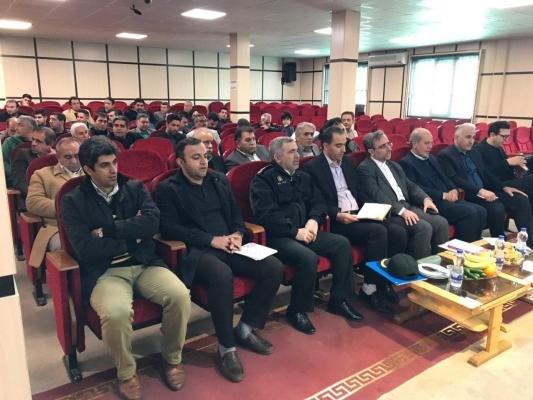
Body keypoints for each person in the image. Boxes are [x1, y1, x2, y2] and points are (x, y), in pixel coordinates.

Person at [61, 136, 191, 400]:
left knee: (180, 295)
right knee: (116, 313)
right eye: (104, 165)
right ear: (88, 169)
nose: (113, 170)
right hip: (106, 273)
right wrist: (133, 235)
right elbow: (86, 249)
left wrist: (107, 231)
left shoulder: (133, 187)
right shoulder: (74, 200)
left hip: (144, 263)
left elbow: (152, 223)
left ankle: (172, 358)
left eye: (114, 162)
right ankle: (127, 372)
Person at [156, 137, 283, 383]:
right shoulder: (168, 188)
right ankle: (226, 347)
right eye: (196, 158)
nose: (204, 162)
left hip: (231, 244)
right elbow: (169, 228)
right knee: (221, 275)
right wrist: (211, 240)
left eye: (205, 156)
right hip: (198, 250)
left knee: (273, 267)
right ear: (180, 162)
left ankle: (244, 329)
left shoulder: (218, 179)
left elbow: (236, 214)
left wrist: (237, 234)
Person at [251, 137, 363, 336]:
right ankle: (297, 310)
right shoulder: (263, 180)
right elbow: (266, 216)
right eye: (291, 152)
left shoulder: (302, 176)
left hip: (306, 230)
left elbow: (318, 202)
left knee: (341, 244)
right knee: (307, 258)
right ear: (277, 157)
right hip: (280, 236)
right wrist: (295, 232)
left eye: (297, 151)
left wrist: (313, 220)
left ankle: (339, 300)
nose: (298, 156)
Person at [303, 126, 407, 313]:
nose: (343, 150)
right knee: (378, 232)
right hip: (337, 219)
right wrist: (336, 214)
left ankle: (383, 281)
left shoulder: (347, 162)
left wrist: (372, 208)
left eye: (344, 145)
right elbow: (316, 201)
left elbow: (358, 192)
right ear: (325, 146)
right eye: (338, 146)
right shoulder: (313, 168)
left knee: (396, 229)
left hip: (358, 213)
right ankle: (369, 288)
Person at [356, 130, 449, 259]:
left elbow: (410, 186)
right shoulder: (365, 169)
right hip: (389, 213)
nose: (389, 148)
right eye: (383, 146)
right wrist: (401, 211)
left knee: (441, 223)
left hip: (407, 206)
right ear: (371, 151)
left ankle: (441, 262)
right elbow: (377, 196)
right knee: (423, 228)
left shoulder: (394, 165)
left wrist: (425, 199)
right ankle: (418, 268)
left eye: (389, 144)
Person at [438, 123, 533, 243]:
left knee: (520, 199)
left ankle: (528, 243)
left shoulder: (474, 153)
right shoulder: (446, 155)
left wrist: (504, 187)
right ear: (456, 137)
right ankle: (499, 242)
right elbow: (455, 179)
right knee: (497, 208)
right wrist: (480, 190)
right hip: (469, 194)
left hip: (486, 190)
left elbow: (486, 173)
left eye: (473, 137)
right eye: (468, 137)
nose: (471, 141)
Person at [400, 128, 487, 242]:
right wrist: (443, 195)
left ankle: (475, 244)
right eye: (426, 143)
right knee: (470, 213)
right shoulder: (406, 163)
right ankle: (461, 248)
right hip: (433, 202)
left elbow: (445, 177)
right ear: (415, 144)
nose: (430, 146)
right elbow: (416, 188)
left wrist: (453, 189)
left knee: (481, 211)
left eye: (431, 143)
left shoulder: (432, 158)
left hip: (448, 197)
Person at [26, 137, 84, 269]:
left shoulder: (92, 172)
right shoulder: (42, 175)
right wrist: (68, 209)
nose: (74, 161)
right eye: (68, 157)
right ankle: (72, 281)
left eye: (77, 156)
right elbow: (33, 202)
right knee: (67, 247)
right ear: (58, 157)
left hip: (93, 223)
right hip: (59, 227)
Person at [477, 120, 533, 211]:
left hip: (508, 180)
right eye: (504, 136)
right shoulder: (479, 150)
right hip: (496, 185)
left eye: (508, 136)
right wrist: (507, 162)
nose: (506, 140)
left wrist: (516, 167)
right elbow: (484, 172)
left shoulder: (498, 146)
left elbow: (505, 167)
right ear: (492, 134)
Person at [11, 126, 56, 208]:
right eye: (33, 139)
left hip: (54, 197)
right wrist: (38, 197)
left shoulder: (58, 158)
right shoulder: (23, 155)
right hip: (31, 199)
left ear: (50, 144)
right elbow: (19, 181)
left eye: (38, 141)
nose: (33, 143)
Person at [3, 115, 35, 184]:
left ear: (30, 128)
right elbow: (3, 162)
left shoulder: (38, 143)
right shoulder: (9, 141)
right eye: (16, 125)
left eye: (20, 125)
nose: (16, 128)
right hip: (13, 180)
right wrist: (17, 174)